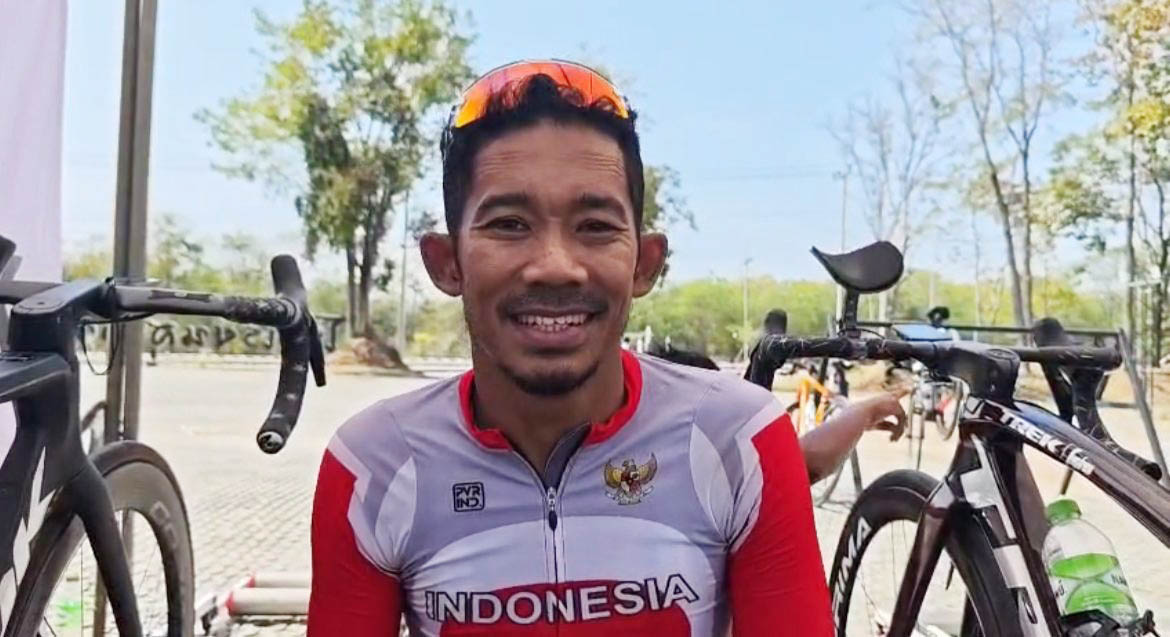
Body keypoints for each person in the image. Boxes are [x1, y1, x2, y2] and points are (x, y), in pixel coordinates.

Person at [308, 59, 903, 636]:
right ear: (446, 263)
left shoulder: (739, 441)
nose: (555, 266)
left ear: (645, 264)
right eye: (509, 224)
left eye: (595, 226)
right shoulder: (374, 465)